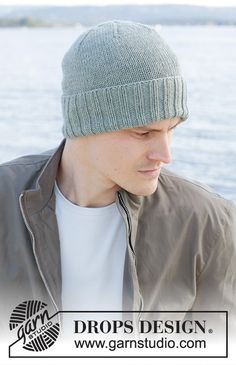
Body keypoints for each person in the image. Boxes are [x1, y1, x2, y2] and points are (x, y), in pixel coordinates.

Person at [0, 20, 235, 342]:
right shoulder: (4, 199)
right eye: (144, 133)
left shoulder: (208, 222)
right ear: (85, 123)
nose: (165, 154)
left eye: (171, 129)